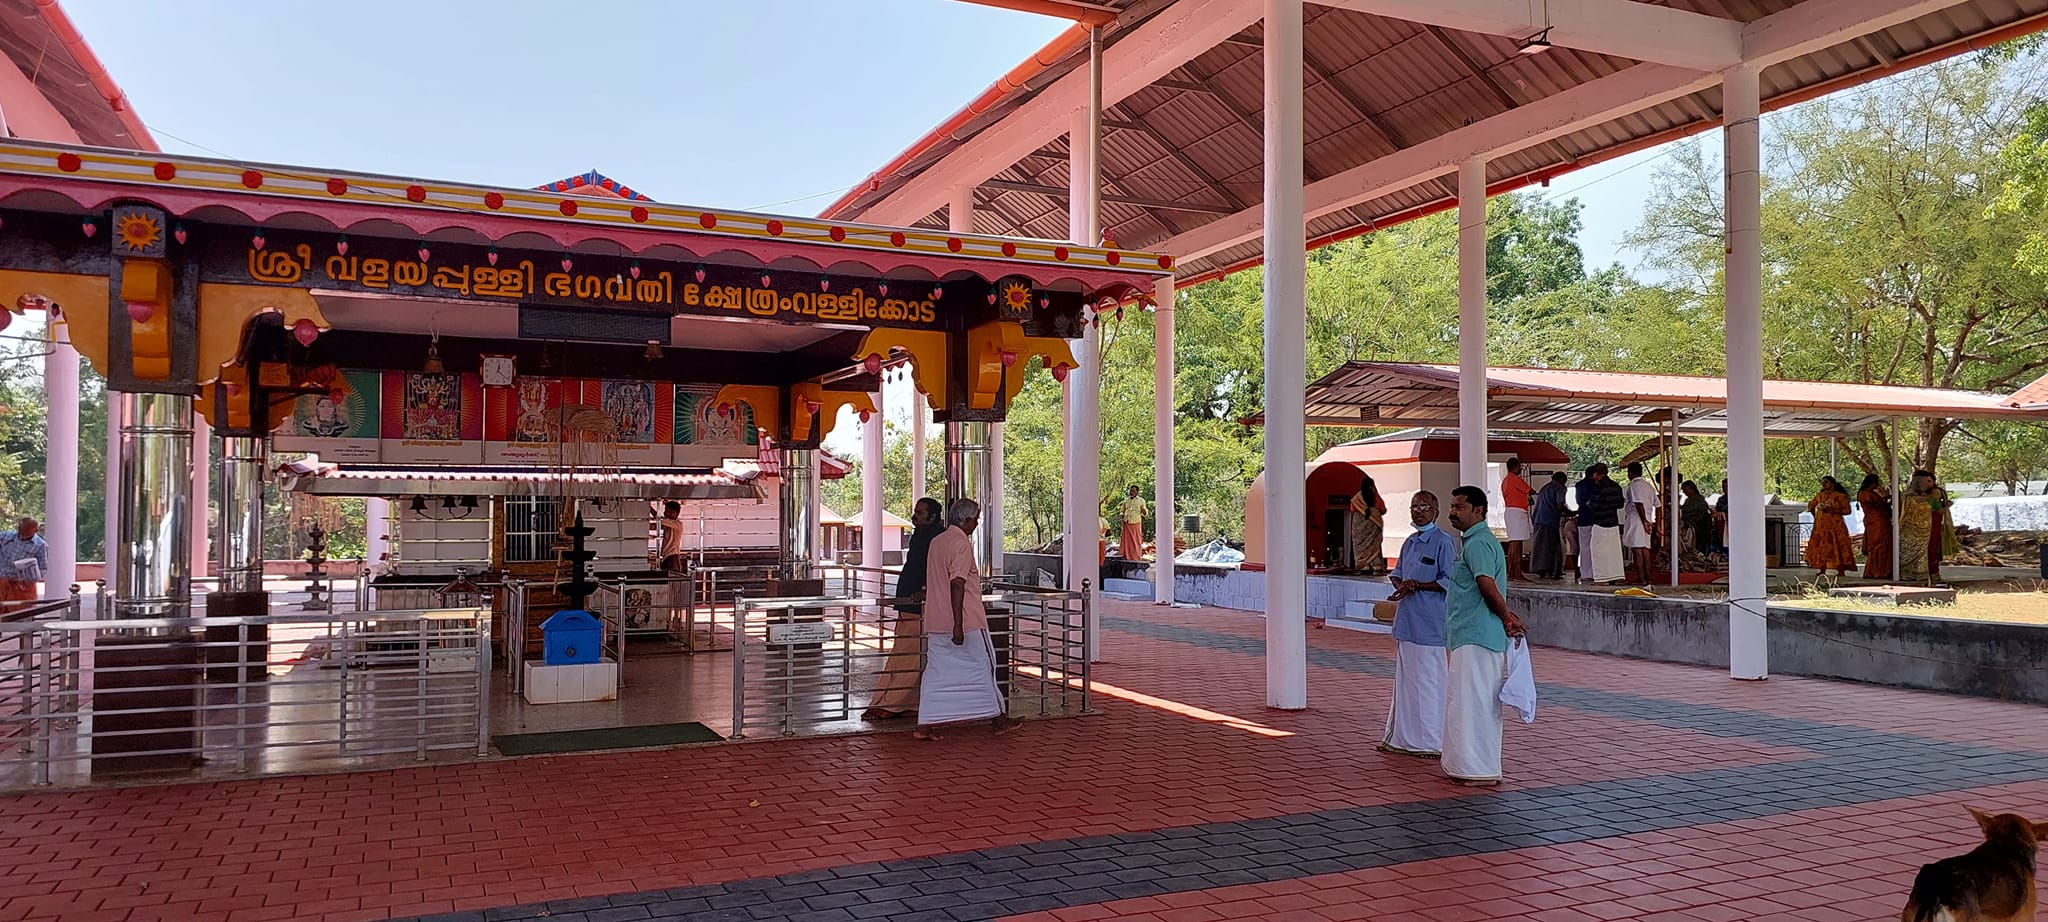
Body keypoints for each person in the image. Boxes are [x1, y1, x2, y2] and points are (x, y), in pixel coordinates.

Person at [1441, 486, 1526, 787]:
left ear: (1479, 510)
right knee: (1472, 701)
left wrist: (1506, 616)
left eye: (1460, 507)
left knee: (1471, 703)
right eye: (1452, 506)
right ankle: (1473, 765)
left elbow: (1486, 584)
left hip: (1476, 634)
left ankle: (1477, 769)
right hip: (1474, 633)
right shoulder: (1475, 541)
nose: (1453, 512)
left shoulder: (1477, 543)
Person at [913, 498, 1015, 740]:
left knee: (936, 673)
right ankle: (998, 719)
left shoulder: (936, 542)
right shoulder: (961, 543)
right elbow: (957, 583)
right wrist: (958, 624)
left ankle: (924, 725)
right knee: (984, 666)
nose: (977, 524)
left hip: (936, 619)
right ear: (967, 520)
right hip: (966, 621)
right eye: (976, 519)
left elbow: (935, 579)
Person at [1380, 491, 1458, 757]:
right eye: (1414, 506)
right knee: (1407, 682)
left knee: (1430, 682)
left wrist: (1420, 585)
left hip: (1430, 624)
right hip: (1407, 622)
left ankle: (1431, 741)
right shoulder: (1410, 542)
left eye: (1424, 506)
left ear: (1435, 511)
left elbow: (1449, 580)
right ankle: (1402, 738)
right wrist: (1402, 586)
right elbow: (1398, 574)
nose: (1418, 511)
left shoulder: (1443, 542)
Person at [865, 498, 943, 721]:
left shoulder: (937, 537)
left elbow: (937, 569)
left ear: (933, 516)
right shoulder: (921, 535)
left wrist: (925, 590)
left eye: (920, 513)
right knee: (905, 652)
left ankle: (893, 703)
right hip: (908, 602)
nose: (915, 516)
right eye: (915, 512)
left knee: (909, 654)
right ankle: (901, 702)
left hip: (920, 605)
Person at [1900, 470, 1957, 583]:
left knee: (1931, 550)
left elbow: (1937, 509)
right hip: (1911, 531)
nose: (1926, 484)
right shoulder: (1908, 497)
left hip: (1928, 529)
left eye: (1929, 481)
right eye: (1923, 481)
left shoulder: (1932, 494)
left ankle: (1928, 575)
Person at [1576, 465, 1627, 584]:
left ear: (1596, 474)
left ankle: (1601, 578)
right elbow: (1620, 504)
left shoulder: (1598, 487)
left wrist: (1590, 503)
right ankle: (1616, 576)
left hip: (1600, 522)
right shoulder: (1616, 486)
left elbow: (1593, 504)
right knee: (1614, 552)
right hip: (1613, 522)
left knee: (1598, 551)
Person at [1805, 476, 1856, 577]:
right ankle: (1822, 569)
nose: (1823, 484)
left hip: (1836, 526)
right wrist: (1816, 517)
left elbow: (1847, 511)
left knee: (1838, 546)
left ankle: (1841, 570)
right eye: (1822, 482)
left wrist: (1832, 510)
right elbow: (1811, 506)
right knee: (1822, 547)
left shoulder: (1840, 496)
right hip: (1821, 527)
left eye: (1826, 482)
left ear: (1832, 484)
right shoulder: (1820, 496)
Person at [1623, 462, 1658, 584]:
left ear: (1630, 473)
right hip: (1648, 517)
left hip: (1637, 519)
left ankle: (1641, 578)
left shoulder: (1633, 485)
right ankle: (1648, 578)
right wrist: (1654, 523)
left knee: (1637, 549)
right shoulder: (1649, 486)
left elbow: (1638, 503)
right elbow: (1658, 505)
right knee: (1645, 549)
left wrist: (1644, 521)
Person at [1529, 472, 1568, 580]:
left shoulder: (1545, 488)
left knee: (1539, 546)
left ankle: (1540, 570)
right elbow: (1560, 506)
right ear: (1562, 480)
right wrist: (1571, 513)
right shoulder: (1560, 488)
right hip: (1550, 521)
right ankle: (1550, 571)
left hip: (1538, 520)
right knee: (1550, 547)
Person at [1348, 473, 1388, 576]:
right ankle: (1376, 567)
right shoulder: (1375, 497)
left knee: (1360, 546)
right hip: (1374, 526)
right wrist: (1373, 514)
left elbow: (1352, 509)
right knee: (1374, 545)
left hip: (1359, 529)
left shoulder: (1357, 498)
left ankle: (1363, 566)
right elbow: (1383, 510)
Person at [1500, 458, 1532, 582]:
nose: (1521, 469)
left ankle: (1512, 573)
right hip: (1517, 512)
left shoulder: (1505, 481)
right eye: (1519, 466)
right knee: (1516, 544)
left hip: (1511, 512)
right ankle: (1517, 573)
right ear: (1515, 467)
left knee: (1514, 543)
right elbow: (1529, 490)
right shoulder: (1514, 479)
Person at [0, 518, 46, 603]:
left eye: (27, 531)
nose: (23, 533)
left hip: (22, 588)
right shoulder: (6, 536)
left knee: (22, 614)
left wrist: (30, 580)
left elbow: (43, 568)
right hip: (2, 583)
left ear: (36, 530)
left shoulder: (40, 545)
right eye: (21, 530)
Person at [1858, 473, 1894, 580]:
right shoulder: (1865, 494)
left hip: (1881, 520)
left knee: (1884, 545)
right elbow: (1876, 506)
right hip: (1876, 521)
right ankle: (1875, 571)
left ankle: (1884, 570)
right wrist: (1886, 499)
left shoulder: (1872, 493)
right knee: (1877, 545)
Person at [1679, 481, 1714, 556]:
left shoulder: (1699, 500)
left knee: (1699, 548)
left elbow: (1700, 514)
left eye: (1686, 490)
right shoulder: (1688, 500)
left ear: (1692, 489)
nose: (1684, 492)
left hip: (1700, 528)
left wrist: (1690, 521)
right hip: (1692, 526)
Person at [656, 501, 687, 574]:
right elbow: (656, 525)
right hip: (667, 558)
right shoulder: (668, 524)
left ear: (673, 512)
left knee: (671, 582)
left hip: (672, 558)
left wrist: (649, 508)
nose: (664, 513)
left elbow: (659, 519)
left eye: (666, 510)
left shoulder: (677, 524)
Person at [1119, 485, 1148, 562]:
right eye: (1130, 491)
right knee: (1127, 541)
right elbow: (1122, 511)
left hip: (1135, 522)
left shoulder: (1141, 500)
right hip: (1127, 522)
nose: (1131, 492)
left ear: (1137, 492)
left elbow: (1145, 513)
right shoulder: (1126, 501)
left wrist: (1143, 511)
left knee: (1136, 541)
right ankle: (1127, 556)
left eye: (1133, 491)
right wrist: (1122, 517)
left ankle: (1136, 556)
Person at [1712, 479, 1731, 556]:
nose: (1724, 489)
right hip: (1720, 525)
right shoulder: (1721, 499)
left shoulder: (1736, 499)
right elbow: (1717, 509)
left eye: (1726, 486)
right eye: (1723, 487)